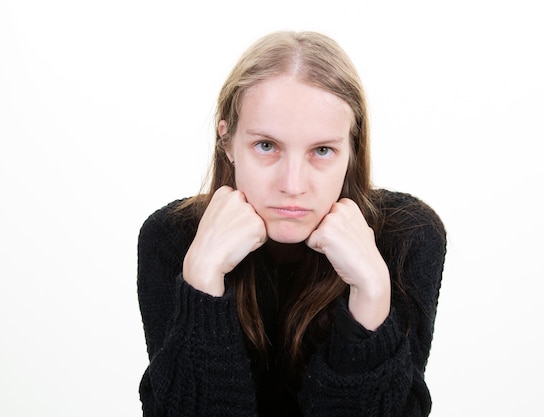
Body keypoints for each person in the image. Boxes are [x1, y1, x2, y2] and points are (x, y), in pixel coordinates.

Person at [137, 30, 446, 417]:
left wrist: (370, 294)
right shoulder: (171, 239)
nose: (293, 186)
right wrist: (201, 281)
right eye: (266, 146)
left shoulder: (408, 238)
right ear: (227, 141)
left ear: (351, 150)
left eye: (322, 150)